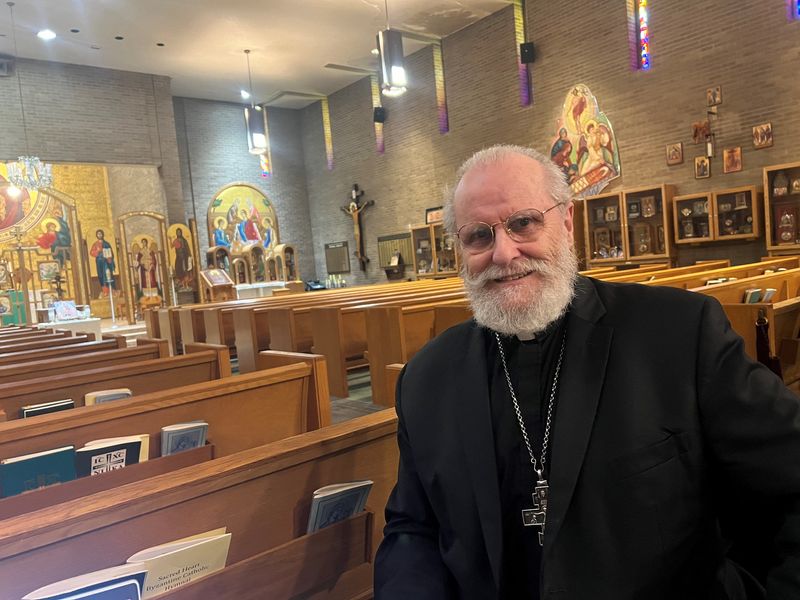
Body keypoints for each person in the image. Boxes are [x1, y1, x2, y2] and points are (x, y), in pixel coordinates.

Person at [374, 144, 800, 599]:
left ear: (567, 222)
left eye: (523, 223)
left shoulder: (679, 334)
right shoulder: (426, 378)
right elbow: (412, 528)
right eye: (479, 235)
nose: (503, 252)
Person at [89, 229, 115, 297]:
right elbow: (91, 252)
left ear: (102, 235)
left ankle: (109, 290)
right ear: (96, 235)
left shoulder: (106, 244)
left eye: (100, 234)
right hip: (99, 262)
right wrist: (97, 252)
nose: (99, 235)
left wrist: (109, 258)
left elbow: (111, 253)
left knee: (106, 275)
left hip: (106, 262)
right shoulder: (95, 244)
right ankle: (104, 290)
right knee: (100, 275)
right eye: (98, 234)